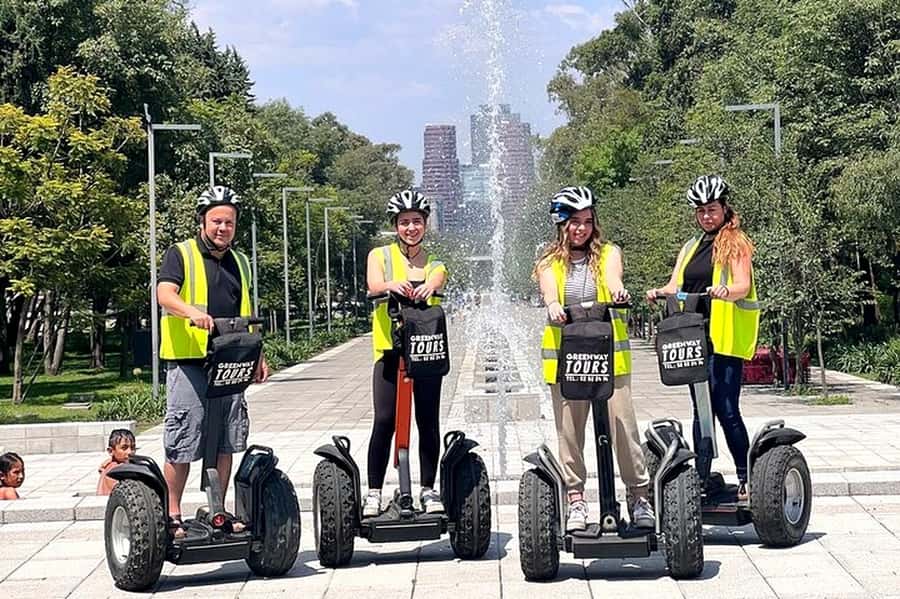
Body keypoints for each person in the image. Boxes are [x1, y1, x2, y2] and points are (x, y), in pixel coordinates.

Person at [534, 186, 655, 531]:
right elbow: (549, 291)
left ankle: (638, 496)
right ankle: (575, 501)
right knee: (569, 434)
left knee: (624, 430)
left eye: (587, 221)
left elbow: (614, 276)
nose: (581, 229)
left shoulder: (607, 254)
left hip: (610, 360)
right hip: (567, 362)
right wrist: (554, 305)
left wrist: (618, 290)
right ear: (561, 224)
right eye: (574, 222)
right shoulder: (549, 262)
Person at [157, 185, 269, 538]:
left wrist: (258, 354)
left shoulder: (241, 261)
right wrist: (191, 313)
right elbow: (164, 293)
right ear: (203, 221)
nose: (223, 228)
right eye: (217, 221)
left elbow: (247, 309)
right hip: (189, 360)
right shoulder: (181, 254)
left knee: (226, 438)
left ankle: (218, 508)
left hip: (230, 358)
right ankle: (172, 512)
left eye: (229, 222)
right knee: (184, 438)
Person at [645, 174, 760, 501]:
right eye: (701, 211)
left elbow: (741, 285)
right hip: (693, 338)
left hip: (723, 341)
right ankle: (702, 477)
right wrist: (658, 292)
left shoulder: (736, 244)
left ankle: (745, 475)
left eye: (711, 209)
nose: (706, 216)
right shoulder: (691, 247)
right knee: (701, 411)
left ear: (725, 209)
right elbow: (676, 285)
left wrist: (726, 291)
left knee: (725, 408)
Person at [363, 189, 447, 517]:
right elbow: (373, 285)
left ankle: (428, 488)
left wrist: (429, 286)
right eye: (404, 222)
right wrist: (390, 287)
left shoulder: (435, 262)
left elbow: (438, 277)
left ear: (425, 224)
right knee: (384, 420)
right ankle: (373, 491)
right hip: (390, 352)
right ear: (395, 226)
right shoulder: (380, 256)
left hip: (425, 351)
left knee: (428, 420)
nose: (410, 227)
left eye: (416, 221)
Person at [97, 429, 136, 496]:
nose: (130, 452)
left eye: (132, 447)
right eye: (124, 448)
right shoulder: (117, 471)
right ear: (111, 451)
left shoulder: (110, 465)